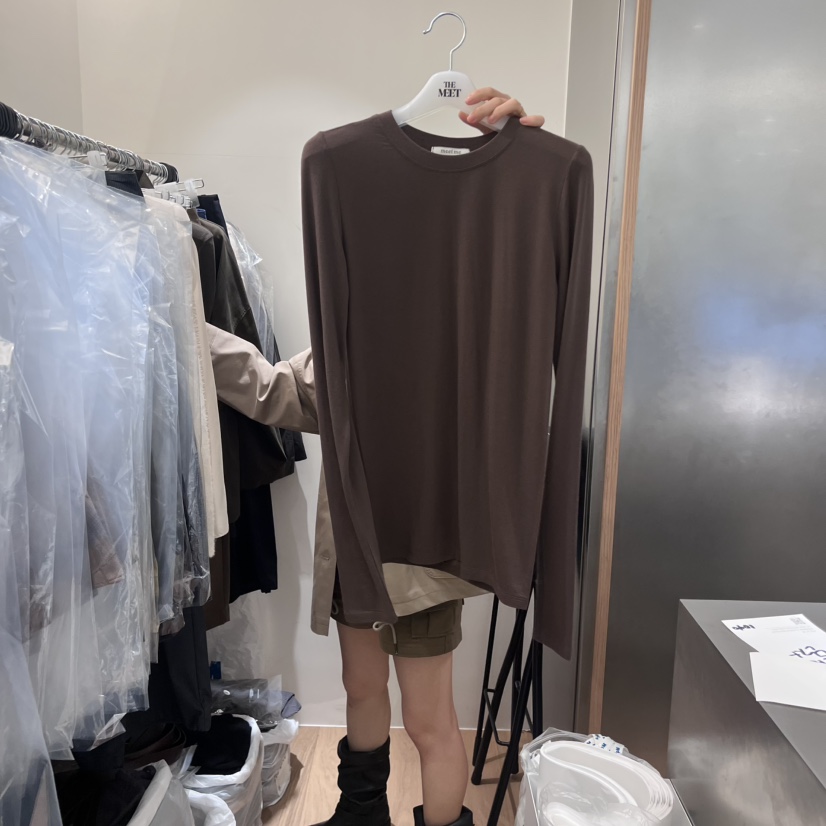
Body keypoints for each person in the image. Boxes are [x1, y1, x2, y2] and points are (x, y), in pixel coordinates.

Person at [209, 89, 546, 826]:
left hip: (425, 561)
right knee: (362, 690)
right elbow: (277, 390)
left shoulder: (471, 340)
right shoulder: (351, 335)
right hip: (357, 552)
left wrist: (516, 167)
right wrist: (190, 329)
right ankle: (359, 813)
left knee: (428, 719)